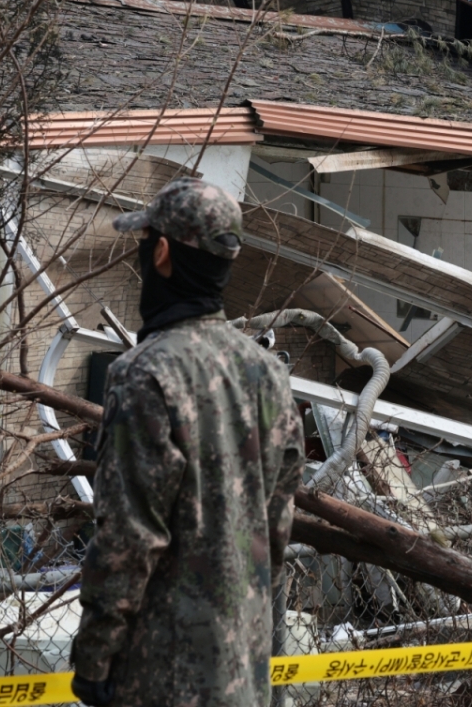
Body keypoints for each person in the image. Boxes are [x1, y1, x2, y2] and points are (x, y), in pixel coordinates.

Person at [70, 177, 304, 707]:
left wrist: (96, 656)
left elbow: (128, 537)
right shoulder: (268, 374)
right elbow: (277, 526)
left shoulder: (144, 374)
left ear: (161, 253)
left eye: (143, 244)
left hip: (160, 676)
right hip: (243, 670)